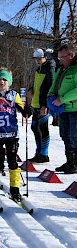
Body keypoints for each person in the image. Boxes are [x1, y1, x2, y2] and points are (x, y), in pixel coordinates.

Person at [0, 68, 32, 202]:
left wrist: (28, 110)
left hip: (12, 134)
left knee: (12, 162)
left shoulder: (14, 95)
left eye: (4, 79)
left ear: (9, 82)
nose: (2, 82)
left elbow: (23, 110)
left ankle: (15, 190)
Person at [48, 44, 77, 174]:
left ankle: (75, 163)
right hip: (63, 109)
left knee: (74, 135)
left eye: (63, 57)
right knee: (65, 135)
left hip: (74, 108)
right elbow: (54, 85)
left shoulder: (75, 69)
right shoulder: (61, 69)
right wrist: (50, 96)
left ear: (72, 55)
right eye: (59, 58)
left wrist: (62, 99)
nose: (61, 60)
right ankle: (69, 161)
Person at [28, 48, 55, 163]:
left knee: (43, 129)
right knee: (34, 127)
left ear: (45, 57)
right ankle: (38, 152)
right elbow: (36, 84)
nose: (38, 61)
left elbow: (49, 87)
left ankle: (44, 154)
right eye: (36, 59)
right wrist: (30, 89)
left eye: (40, 59)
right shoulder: (38, 69)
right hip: (36, 102)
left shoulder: (49, 68)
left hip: (42, 104)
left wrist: (45, 105)